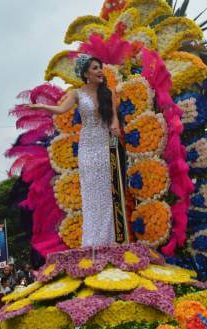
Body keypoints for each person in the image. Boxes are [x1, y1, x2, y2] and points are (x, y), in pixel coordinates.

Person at [26, 54, 120, 247]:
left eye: (100, 67)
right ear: (86, 73)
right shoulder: (77, 94)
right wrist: (42, 106)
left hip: (103, 145)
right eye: (95, 68)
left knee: (104, 191)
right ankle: (91, 242)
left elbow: (113, 117)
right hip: (87, 146)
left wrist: (115, 128)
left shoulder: (107, 93)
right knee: (90, 191)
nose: (100, 71)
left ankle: (107, 241)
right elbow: (61, 110)